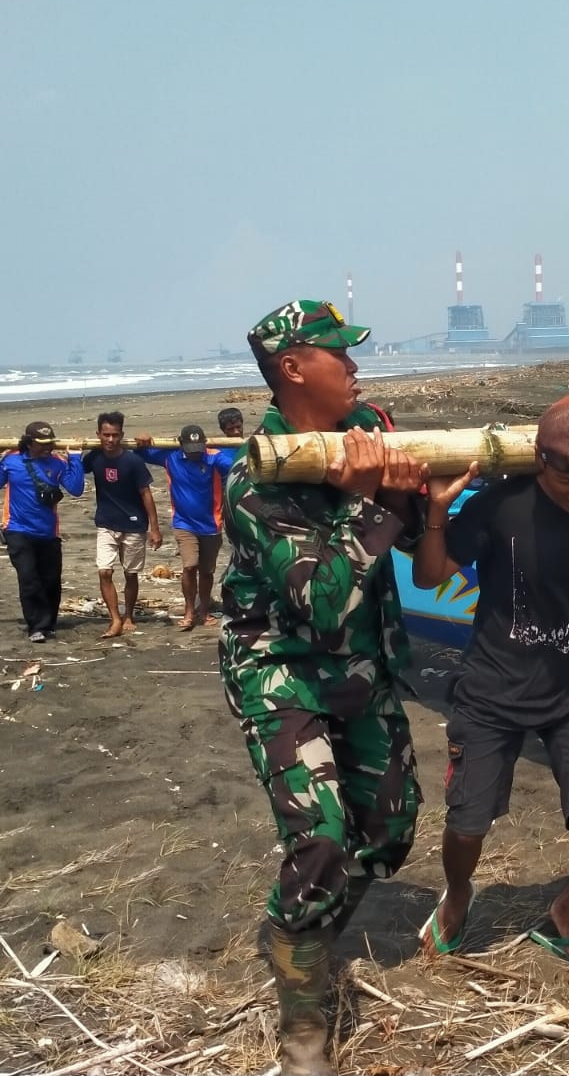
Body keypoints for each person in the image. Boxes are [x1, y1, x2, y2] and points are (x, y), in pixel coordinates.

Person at [220, 298, 426, 1076]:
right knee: (322, 838)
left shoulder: (366, 422)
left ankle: (299, 935)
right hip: (283, 670)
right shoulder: (256, 483)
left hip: (361, 665)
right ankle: (304, 1019)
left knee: (391, 829)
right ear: (294, 366)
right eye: (341, 354)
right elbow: (322, 598)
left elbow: (402, 535)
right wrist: (367, 500)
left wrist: (410, 494)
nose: (356, 367)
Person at [412, 394, 569, 1020]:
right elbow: (430, 576)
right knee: (469, 825)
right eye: (566, 479)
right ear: (541, 464)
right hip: (492, 694)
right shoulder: (502, 504)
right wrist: (437, 513)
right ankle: (458, 895)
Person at [0, 421, 85, 642]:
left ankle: (49, 623)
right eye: (41, 444)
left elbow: (76, 489)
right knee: (28, 578)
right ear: (29, 442)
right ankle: (36, 627)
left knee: (50, 580)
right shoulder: (12, 459)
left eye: (50, 443)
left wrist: (75, 458)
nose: (47, 448)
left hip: (48, 531)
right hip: (17, 528)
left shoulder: (57, 463)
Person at [134, 424, 234, 629]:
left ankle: (204, 612)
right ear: (181, 445)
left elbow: (238, 467)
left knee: (206, 572)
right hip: (183, 523)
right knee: (189, 566)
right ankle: (189, 611)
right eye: (190, 450)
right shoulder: (170, 457)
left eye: (198, 449)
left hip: (211, 524)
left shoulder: (215, 458)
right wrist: (143, 439)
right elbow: (141, 452)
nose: (195, 455)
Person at [82, 411, 161, 638]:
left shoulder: (133, 461)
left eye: (115, 435)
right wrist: (74, 451)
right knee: (104, 571)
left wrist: (154, 528)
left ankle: (129, 615)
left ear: (121, 435)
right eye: (106, 435)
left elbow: (146, 493)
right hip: (106, 523)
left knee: (131, 574)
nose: (110, 440)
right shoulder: (93, 458)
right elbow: (75, 473)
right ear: (98, 434)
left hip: (134, 524)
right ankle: (115, 619)